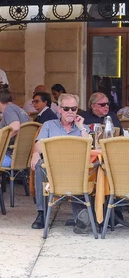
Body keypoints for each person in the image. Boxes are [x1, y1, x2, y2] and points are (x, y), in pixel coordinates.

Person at [30, 93, 92, 233]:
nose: (70, 112)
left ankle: (81, 217)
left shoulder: (83, 128)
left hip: (76, 171)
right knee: (40, 165)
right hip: (53, 171)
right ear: (59, 109)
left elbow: (88, 146)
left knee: (86, 173)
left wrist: (81, 126)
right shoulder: (49, 125)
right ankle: (42, 213)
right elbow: (39, 143)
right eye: (66, 108)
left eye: (74, 109)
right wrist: (35, 154)